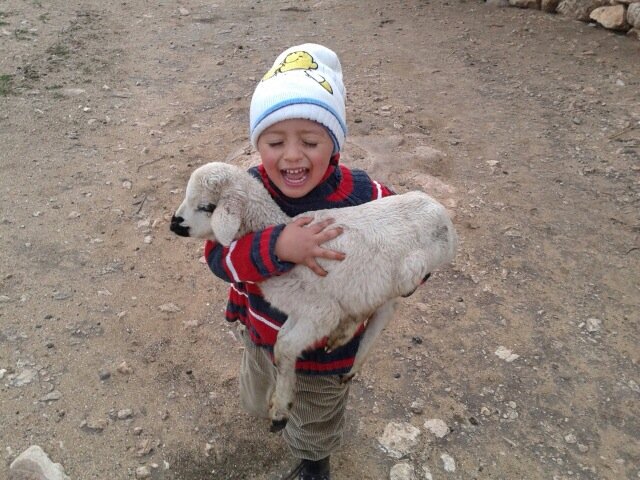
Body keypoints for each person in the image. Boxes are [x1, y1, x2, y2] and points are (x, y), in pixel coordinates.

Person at [204, 43, 394, 480]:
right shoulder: (245, 193)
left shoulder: (363, 194)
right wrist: (276, 247)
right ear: (258, 144)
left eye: (309, 141)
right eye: (275, 142)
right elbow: (217, 257)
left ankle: (314, 464)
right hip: (262, 334)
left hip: (328, 352)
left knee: (315, 422)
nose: (291, 155)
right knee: (260, 396)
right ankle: (280, 414)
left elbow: (405, 232)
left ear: (335, 143)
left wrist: (407, 273)